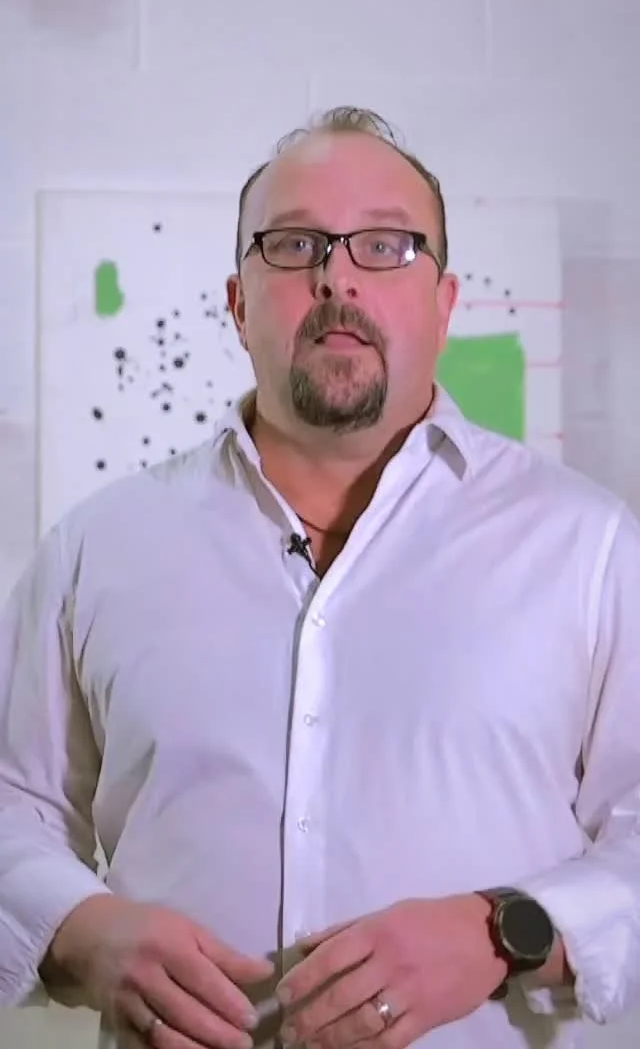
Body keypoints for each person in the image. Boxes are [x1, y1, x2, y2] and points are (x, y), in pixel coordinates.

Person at [0, 106, 639, 1049]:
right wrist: (75, 928)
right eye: (295, 245)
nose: (337, 277)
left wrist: (503, 934)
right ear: (237, 302)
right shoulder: (96, 548)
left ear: (444, 304)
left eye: (385, 245)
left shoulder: (590, 547)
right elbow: (13, 805)